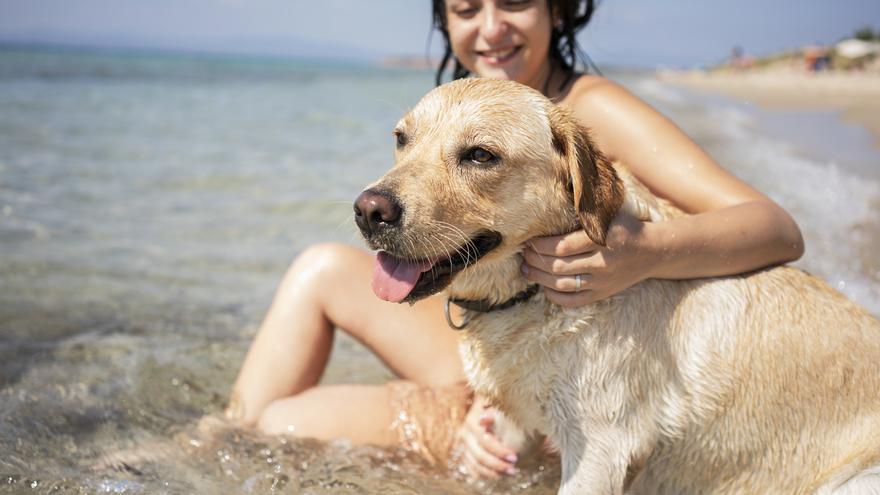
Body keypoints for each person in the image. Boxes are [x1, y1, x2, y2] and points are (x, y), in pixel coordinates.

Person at [226, 0, 805, 480]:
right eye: (466, 9)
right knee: (318, 268)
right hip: (490, 330)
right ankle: (206, 440)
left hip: (558, 347)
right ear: (445, 23)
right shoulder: (459, 103)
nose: (490, 27)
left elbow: (776, 228)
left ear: (557, 12)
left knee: (284, 424)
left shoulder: (592, 110)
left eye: (515, 3)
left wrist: (640, 254)